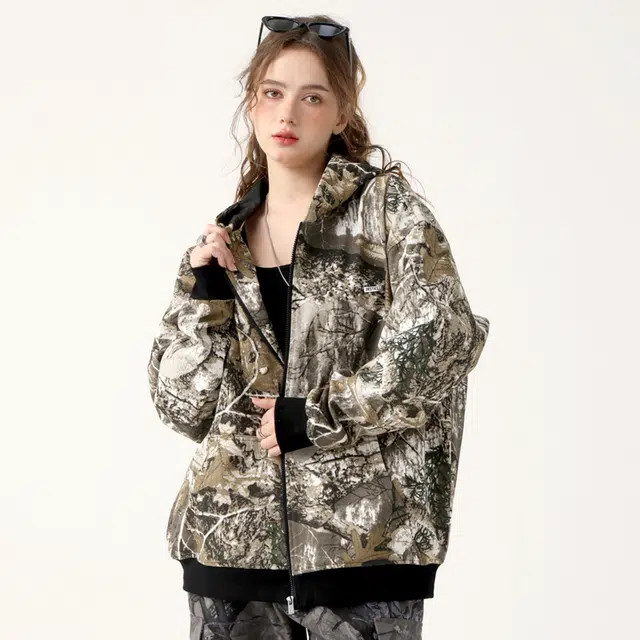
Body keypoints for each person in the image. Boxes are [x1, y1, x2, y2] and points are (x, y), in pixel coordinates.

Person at [147, 14, 490, 640]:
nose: (288, 113)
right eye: (273, 93)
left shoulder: (386, 212)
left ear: (341, 114)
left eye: (312, 97)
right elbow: (184, 409)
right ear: (252, 105)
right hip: (230, 554)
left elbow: (444, 337)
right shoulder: (223, 241)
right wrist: (205, 294)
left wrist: (316, 415)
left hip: (364, 550)